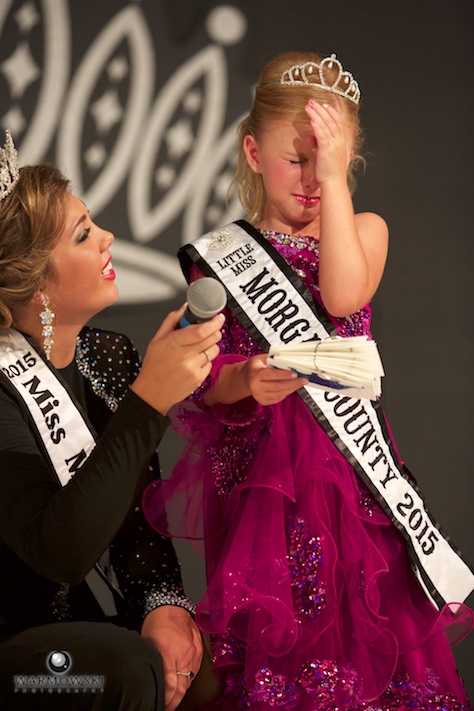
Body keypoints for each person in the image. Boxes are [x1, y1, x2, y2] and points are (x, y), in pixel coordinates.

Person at [142, 52, 474, 710]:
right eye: (297, 158)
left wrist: (337, 181)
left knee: (363, 658)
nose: (313, 177)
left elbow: (344, 297)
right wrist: (247, 379)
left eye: (330, 161)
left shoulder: (364, 232)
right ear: (252, 152)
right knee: (278, 667)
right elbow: (203, 383)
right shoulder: (220, 258)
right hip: (261, 502)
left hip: (352, 496)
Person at [0, 130, 224, 710]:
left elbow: (137, 526)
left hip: (95, 625)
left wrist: (165, 607)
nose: (108, 238)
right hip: (18, 659)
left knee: (206, 659)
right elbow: (65, 552)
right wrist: (149, 400)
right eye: (83, 235)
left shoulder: (110, 354)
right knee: (124, 667)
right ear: (37, 284)